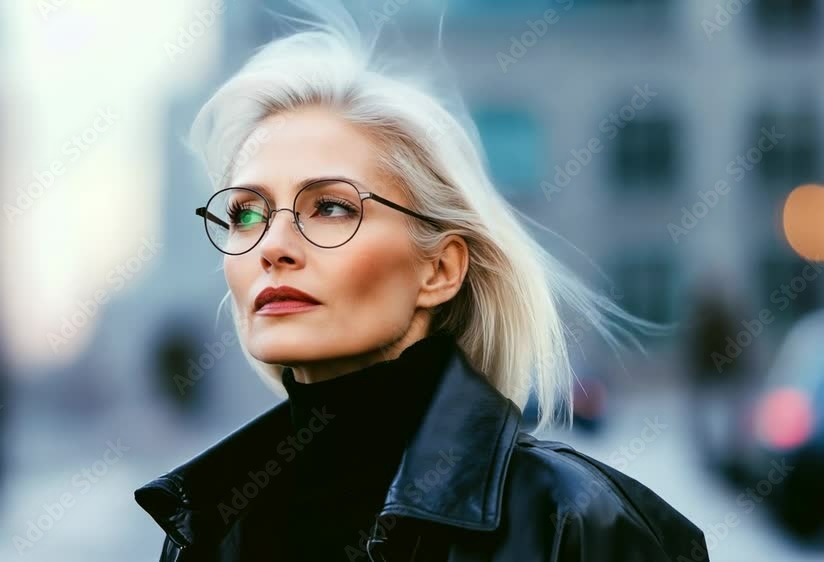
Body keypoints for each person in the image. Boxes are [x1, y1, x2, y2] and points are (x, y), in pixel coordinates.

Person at [135, 3, 708, 560]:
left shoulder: (580, 526)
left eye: (330, 207)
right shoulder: (207, 525)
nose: (272, 246)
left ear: (439, 270)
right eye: (246, 213)